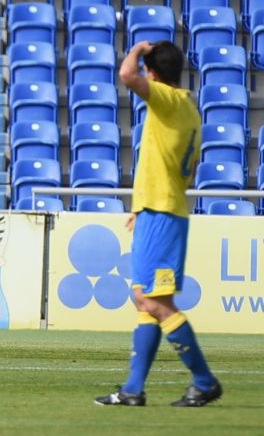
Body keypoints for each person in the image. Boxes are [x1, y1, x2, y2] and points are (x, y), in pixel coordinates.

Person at [95, 41, 222, 407]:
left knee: (157, 302)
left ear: (153, 72)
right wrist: (144, 206)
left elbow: (125, 75)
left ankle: (204, 380)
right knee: (143, 299)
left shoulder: (167, 99)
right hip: (158, 209)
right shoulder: (190, 109)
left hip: (164, 214)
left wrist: (135, 48)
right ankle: (133, 390)